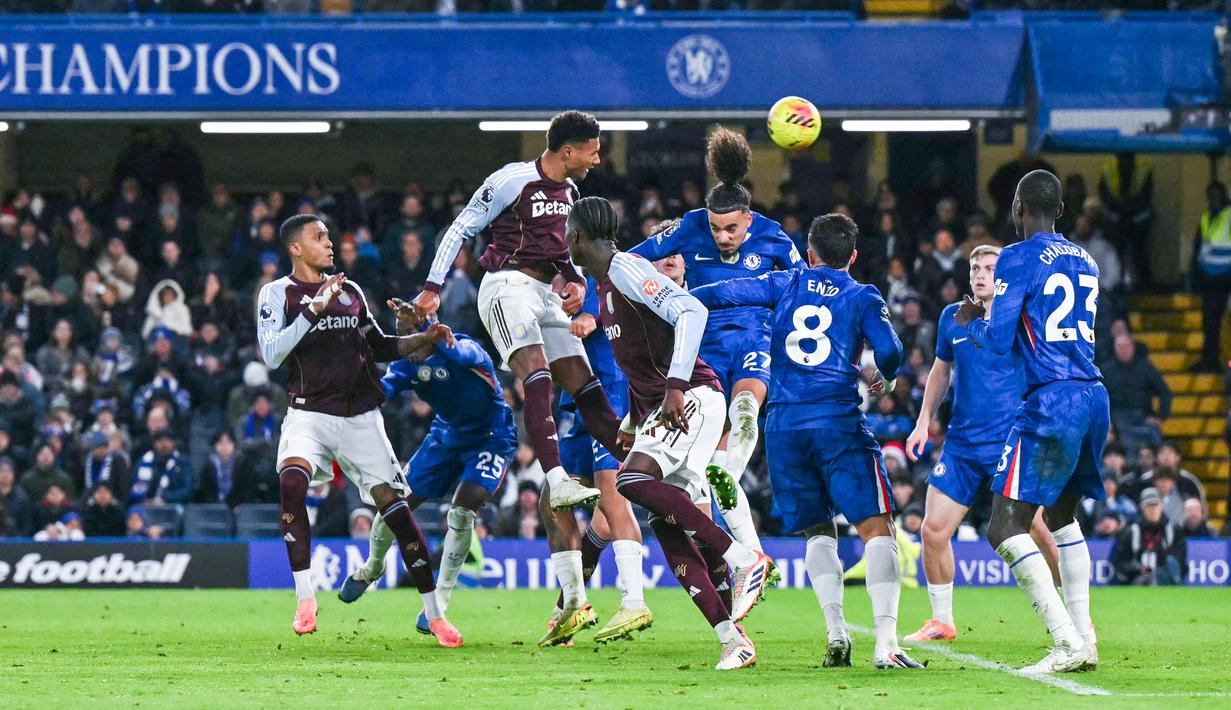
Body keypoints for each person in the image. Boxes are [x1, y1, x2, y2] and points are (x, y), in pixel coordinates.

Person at [410, 111, 625, 628]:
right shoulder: (511, 179)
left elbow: (562, 259)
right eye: (593, 150)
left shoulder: (571, 197)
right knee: (537, 373)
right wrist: (434, 287)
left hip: (545, 293)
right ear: (568, 150)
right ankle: (556, 474)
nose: (598, 159)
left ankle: (636, 460)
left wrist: (574, 282)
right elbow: (463, 226)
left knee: (586, 387)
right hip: (504, 285)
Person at [693, 213, 923, 670]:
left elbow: (721, 294)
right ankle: (886, 644)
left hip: (783, 427)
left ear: (810, 253)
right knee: (877, 529)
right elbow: (892, 350)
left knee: (818, 530)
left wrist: (668, 298)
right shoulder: (862, 295)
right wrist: (889, 377)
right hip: (836, 421)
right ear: (853, 257)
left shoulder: (783, 283)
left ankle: (837, 635)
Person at [566, 196, 772, 670]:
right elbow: (644, 369)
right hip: (664, 410)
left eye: (567, 233)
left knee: (630, 482)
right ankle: (732, 640)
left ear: (577, 236)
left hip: (694, 398)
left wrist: (677, 387)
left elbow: (691, 313)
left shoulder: (627, 270)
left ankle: (743, 557)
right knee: (667, 524)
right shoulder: (604, 289)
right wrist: (633, 424)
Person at [256, 213, 461, 643]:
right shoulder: (278, 293)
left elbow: (380, 346)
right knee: (292, 483)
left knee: (398, 512)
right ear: (295, 248)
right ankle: (305, 597)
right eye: (319, 237)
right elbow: (273, 355)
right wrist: (314, 309)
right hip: (308, 415)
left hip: (360, 419)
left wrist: (426, 337)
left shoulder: (349, 291)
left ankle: (435, 614)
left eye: (329, 235)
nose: (329, 243)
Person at [955, 169, 1107, 673]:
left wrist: (972, 320)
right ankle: (1085, 637)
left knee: (1004, 524)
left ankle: (1066, 643)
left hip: (1053, 398)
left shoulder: (1016, 257)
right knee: (1062, 517)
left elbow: (998, 341)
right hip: (1093, 395)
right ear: (1060, 211)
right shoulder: (1086, 259)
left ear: (1018, 208)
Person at [629, 128, 800, 557]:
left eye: (732, 229)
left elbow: (804, 284)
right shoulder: (689, 228)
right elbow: (632, 258)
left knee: (746, 410)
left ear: (748, 218)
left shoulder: (774, 235)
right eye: (716, 228)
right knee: (708, 467)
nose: (723, 237)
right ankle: (755, 554)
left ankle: (735, 480)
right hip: (702, 349)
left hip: (752, 339)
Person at [904, 245, 1059, 642]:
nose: (981, 273)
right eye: (975, 266)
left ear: (1003, 275)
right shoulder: (952, 318)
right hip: (962, 445)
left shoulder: (1021, 317)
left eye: (990, 267)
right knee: (933, 530)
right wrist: (924, 422)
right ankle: (942, 620)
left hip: (1011, 441)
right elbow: (940, 372)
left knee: (1038, 528)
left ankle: (1070, 611)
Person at [339, 320, 519, 649]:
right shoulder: (406, 365)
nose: (404, 343)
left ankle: (439, 604)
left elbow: (463, 353)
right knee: (394, 507)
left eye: (410, 335)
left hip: (491, 438)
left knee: (462, 512)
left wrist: (441, 339)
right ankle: (371, 568)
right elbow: (380, 392)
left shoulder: (465, 349)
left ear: (428, 334)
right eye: (400, 337)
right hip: (444, 438)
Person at [547, 273, 651, 644]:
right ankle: (572, 603)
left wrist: (589, 315)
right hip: (575, 401)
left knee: (612, 498)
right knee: (556, 500)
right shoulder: (546, 275)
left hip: (611, 395)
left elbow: (600, 306)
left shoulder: (601, 272)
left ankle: (634, 600)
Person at [1191, 182, 1231, 373]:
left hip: (1225, 278)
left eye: (1217, 196)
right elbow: (1200, 245)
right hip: (1209, 278)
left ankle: (1215, 361)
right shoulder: (1207, 216)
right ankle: (1209, 360)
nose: (1213, 200)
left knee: (1217, 322)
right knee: (1209, 321)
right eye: (1210, 196)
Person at [1111, 487, 1184, 585]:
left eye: (1155, 505)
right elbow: (1120, 563)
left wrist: (1162, 568)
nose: (1152, 510)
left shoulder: (1173, 530)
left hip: (1166, 579)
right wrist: (1137, 568)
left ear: (1161, 506)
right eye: (1148, 506)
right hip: (1138, 579)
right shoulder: (1131, 532)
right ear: (1142, 508)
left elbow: (1180, 562)